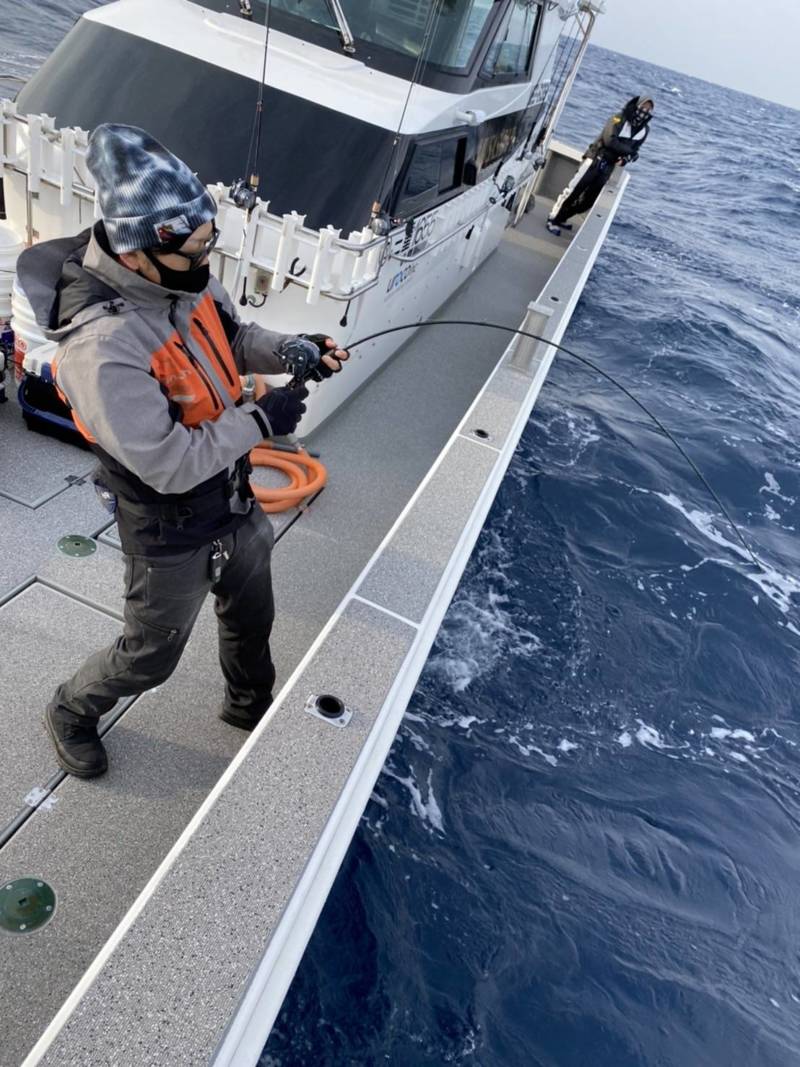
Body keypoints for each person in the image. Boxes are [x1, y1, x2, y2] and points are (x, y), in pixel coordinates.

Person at [17, 124, 349, 779]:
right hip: (169, 527)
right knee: (152, 651)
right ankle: (69, 710)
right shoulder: (101, 348)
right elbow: (168, 462)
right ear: (143, 251)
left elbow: (235, 332)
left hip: (233, 495)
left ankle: (251, 709)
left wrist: (290, 348)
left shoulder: (186, 273)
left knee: (254, 611)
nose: (211, 257)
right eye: (200, 245)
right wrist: (264, 416)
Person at [546, 94, 654, 235]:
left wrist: (626, 158)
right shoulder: (618, 118)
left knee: (588, 200)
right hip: (595, 158)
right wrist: (630, 151)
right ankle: (552, 218)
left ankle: (562, 218)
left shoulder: (644, 131)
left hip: (608, 166)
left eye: (648, 110)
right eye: (643, 107)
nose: (644, 112)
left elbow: (635, 150)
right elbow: (610, 141)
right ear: (636, 105)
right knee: (573, 191)